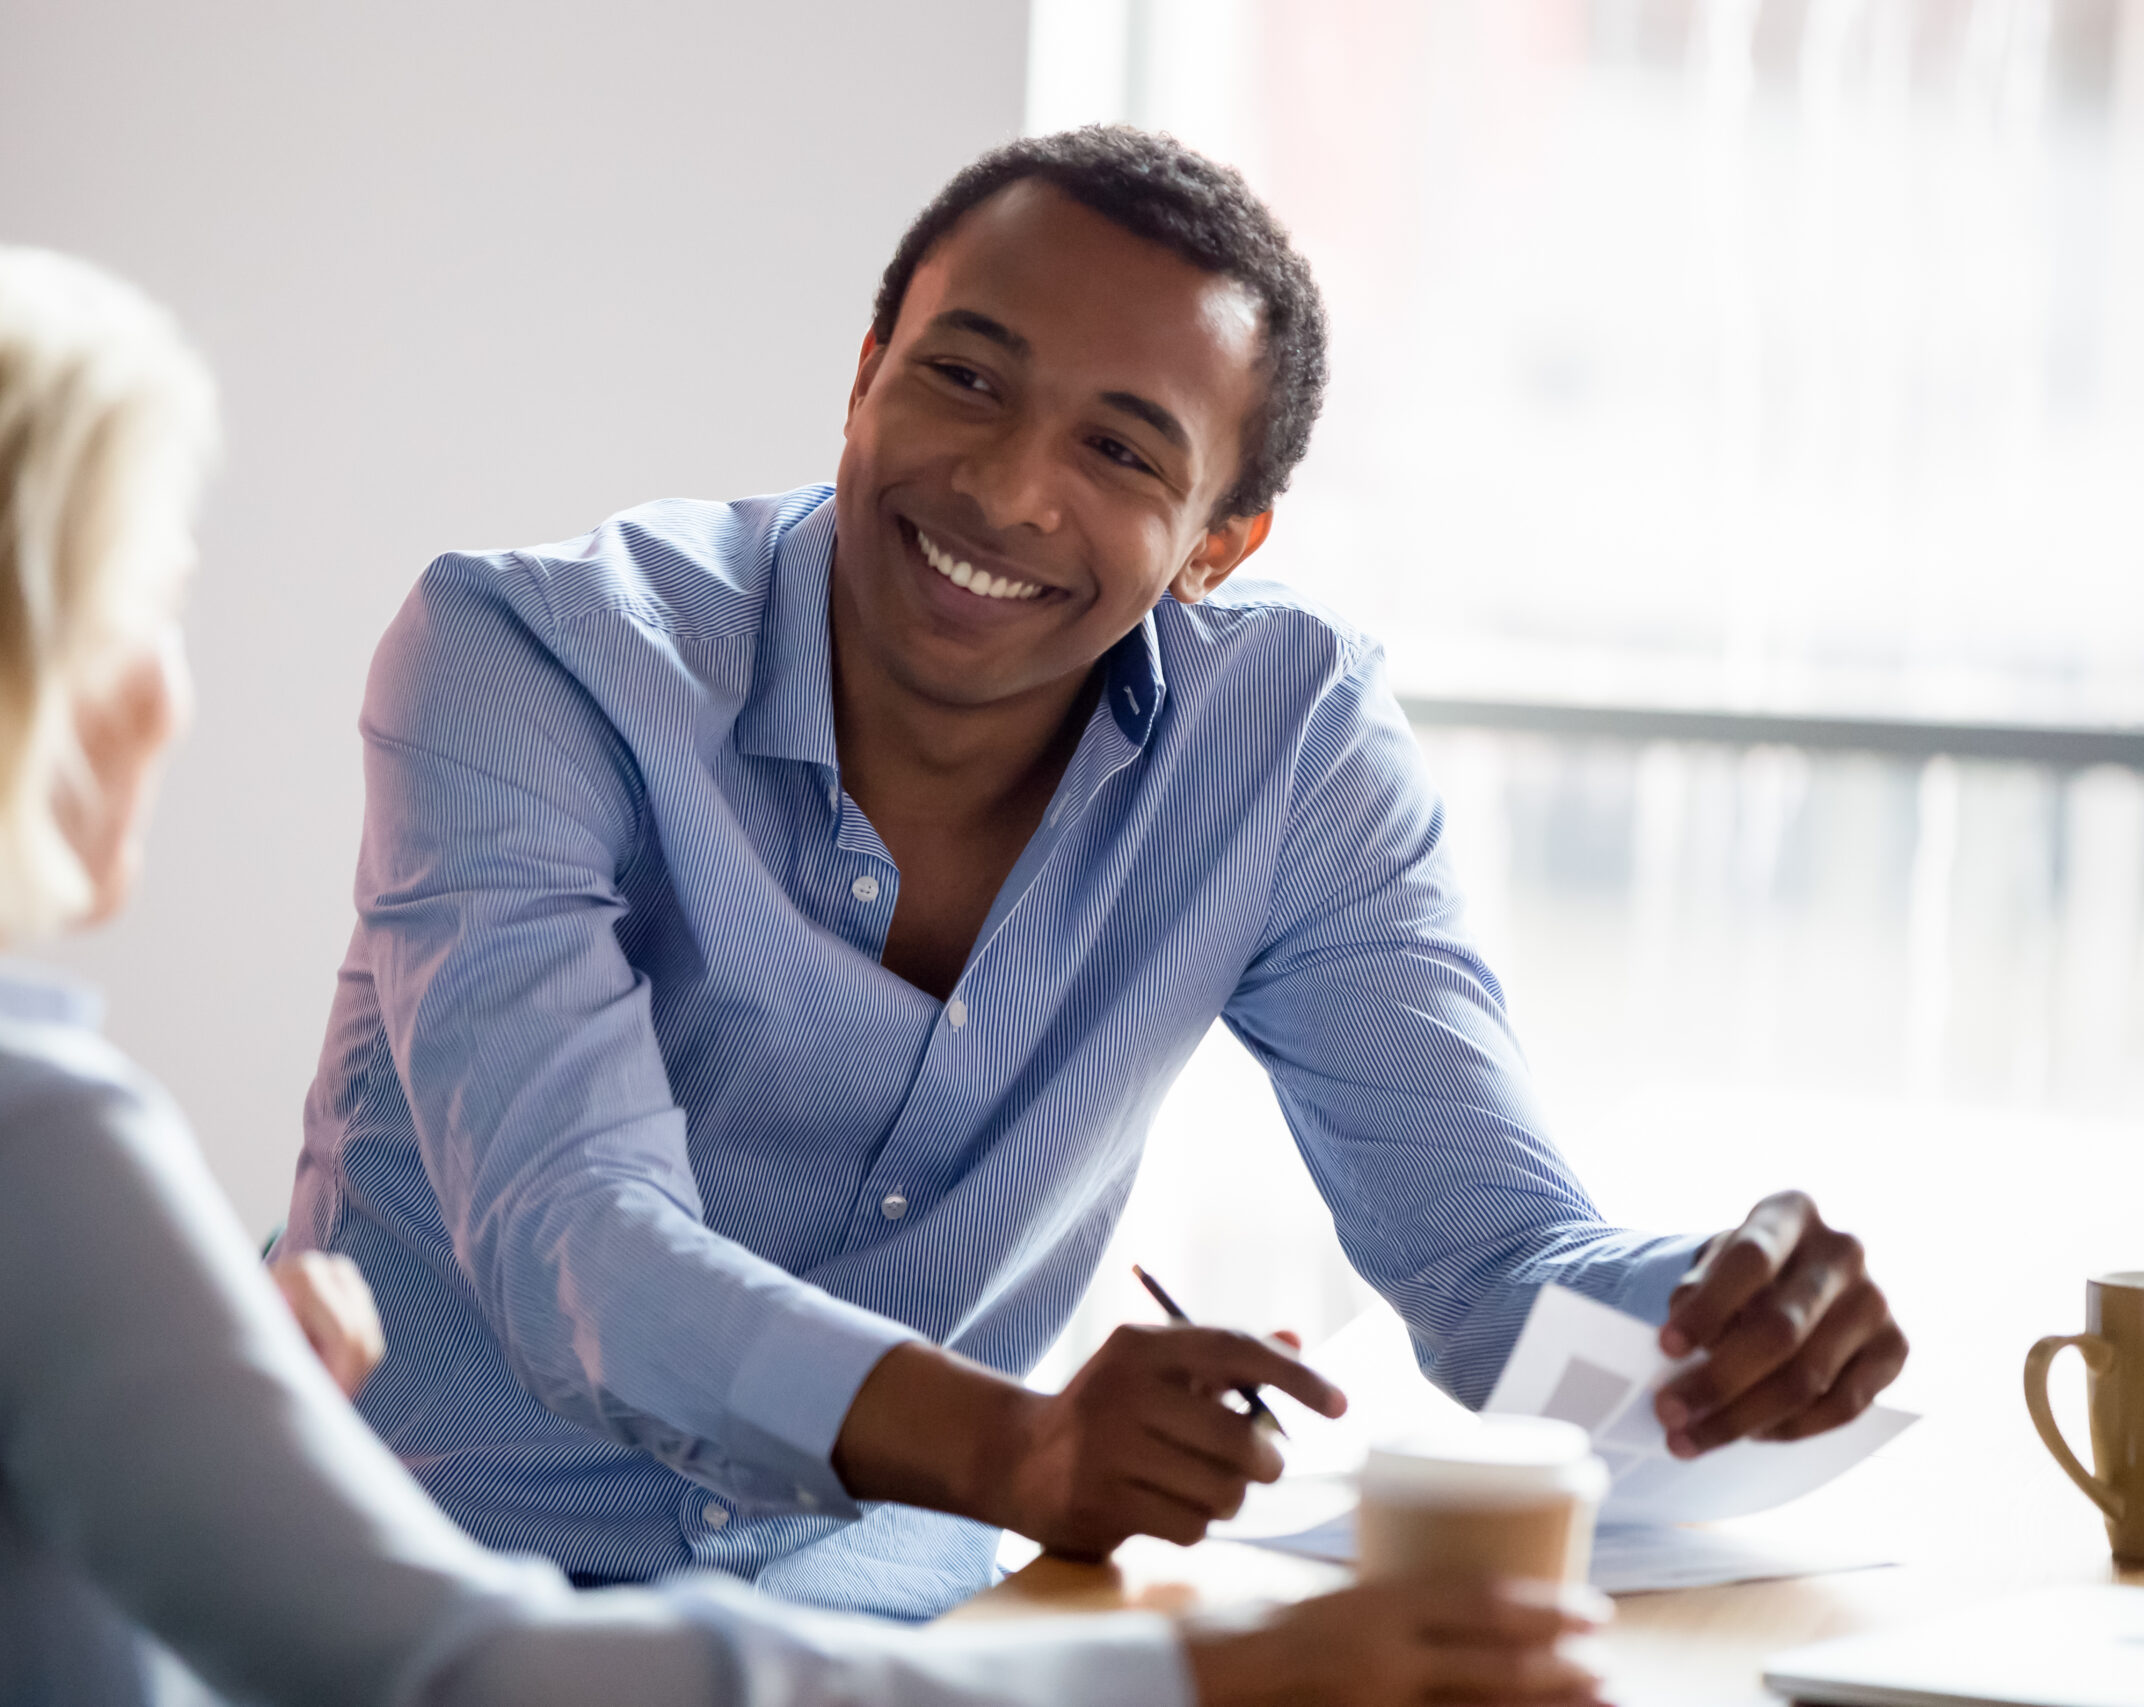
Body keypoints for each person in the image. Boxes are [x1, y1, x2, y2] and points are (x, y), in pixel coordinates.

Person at [0, 217, 1611, 1707]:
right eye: (141, 605)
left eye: (1118, 447)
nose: (172, 692)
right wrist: (1213, 1675)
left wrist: (137, 1420)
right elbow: (456, 1650)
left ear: (1219, 538)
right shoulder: (12, 1150)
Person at [283, 125, 1910, 1620]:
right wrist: (1023, 1452)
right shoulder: (530, 659)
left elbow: (1497, 1264)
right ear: (863, 378)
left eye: (1125, 454)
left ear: (1221, 542)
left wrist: (1720, 1312)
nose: (1004, 489)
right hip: (409, 1610)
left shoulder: (1287, 749)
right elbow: (583, 1251)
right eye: (965, 380)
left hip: (903, 1634)